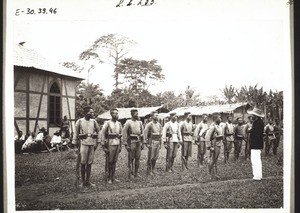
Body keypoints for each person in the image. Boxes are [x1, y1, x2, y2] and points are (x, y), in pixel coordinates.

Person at [72, 106, 101, 188]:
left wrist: (98, 141)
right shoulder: (80, 121)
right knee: (83, 162)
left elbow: (99, 131)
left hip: (91, 143)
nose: (92, 114)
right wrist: (75, 146)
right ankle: (82, 181)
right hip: (83, 143)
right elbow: (75, 133)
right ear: (85, 113)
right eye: (90, 112)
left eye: (92, 112)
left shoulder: (94, 121)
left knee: (89, 163)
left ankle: (88, 181)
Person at [101, 108, 123, 184]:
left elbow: (121, 135)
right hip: (110, 144)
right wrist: (103, 146)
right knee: (109, 161)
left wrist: (120, 145)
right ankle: (108, 177)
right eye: (115, 113)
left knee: (114, 161)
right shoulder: (107, 123)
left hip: (117, 144)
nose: (116, 115)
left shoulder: (119, 124)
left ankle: (113, 177)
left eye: (117, 113)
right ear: (111, 114)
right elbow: (103, 134)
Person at [122, 109, 145, 179]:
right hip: (131, 142)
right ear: (132, 115)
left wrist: (142, 142)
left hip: (138, 142)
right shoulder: (128, 122)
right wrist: (126, 144)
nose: (137, 115)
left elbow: (142, 133)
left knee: (137, 158)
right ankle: (130, 173)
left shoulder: (140, 123)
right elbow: (124, 133)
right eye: (136, 114)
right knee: (131, 158)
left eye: (138, 114)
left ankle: (136, 173)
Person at [247, 107, 265, 181]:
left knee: (255, 160)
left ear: (256, 115)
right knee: (257, 159)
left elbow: (256, 133)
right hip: (257, 143)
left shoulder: (257, 123)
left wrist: (250, 130)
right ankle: (258, 175)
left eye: (253, 115)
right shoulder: (259, 122)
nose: (252, 116)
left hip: (255, 143)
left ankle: (257, 176)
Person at [143, 111, 163, 176]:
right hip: (152, 142)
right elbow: (145, 134)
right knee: (150, 157)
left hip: (158, 141)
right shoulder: (149, 125)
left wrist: (160, 143)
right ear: (152, 117)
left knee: (155, 157)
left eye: (157, 115)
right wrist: (146, 143)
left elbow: (161, 134)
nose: (157, 117)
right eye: (155, 115)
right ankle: (149, 171)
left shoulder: (159, 124)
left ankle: (153, 169)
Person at [205, 113, 223, 179]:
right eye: (219, 118)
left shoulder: (218, 126)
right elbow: (207, 136)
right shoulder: (212, 126)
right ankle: (209, 175)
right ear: (216, 119)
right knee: (212, 160)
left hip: (218, 144)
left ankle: (215, 174)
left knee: (215, 160)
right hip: (214, 145)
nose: (220, 119)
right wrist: (210, 146)